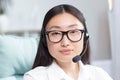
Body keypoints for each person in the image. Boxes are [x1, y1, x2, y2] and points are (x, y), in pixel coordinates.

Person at [24, 4, 113, 80]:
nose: (65, 42)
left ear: (85, 37)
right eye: (55, 33)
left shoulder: (99, 75)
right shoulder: (34, 77)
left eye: (73, 32)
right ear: (45, 40)